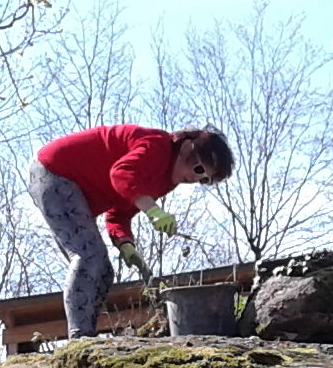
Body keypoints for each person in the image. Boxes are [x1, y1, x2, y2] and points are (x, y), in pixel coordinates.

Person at [30, 124, 236, 340]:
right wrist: (153, 210)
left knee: (103, 271)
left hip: (72, 187)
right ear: (187, 147)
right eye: (199, 169)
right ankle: (79, 336)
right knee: (89, 258)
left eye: (204, 180)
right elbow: (121, 174)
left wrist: (126, 244)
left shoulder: (164, 182)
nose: (195, 179)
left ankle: (87, 334)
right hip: (56, 171)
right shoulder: (158, 146)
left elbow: (118, 213)